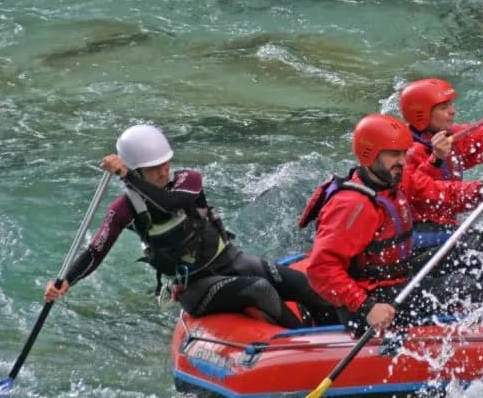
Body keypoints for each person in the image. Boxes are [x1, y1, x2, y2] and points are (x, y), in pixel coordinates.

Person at [44, 124, 327, 328]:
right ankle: (305, 341)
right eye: (154, 168)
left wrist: (127, 175)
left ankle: (339, 328)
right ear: (137, 171)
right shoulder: (124, 209)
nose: (163, 171)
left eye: (165, 163)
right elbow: (96, 250)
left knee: (305, 285)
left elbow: (168, 203)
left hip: (231, 261)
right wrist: (66, 281)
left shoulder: (188, 180)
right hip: (196, 287)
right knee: (260, 289)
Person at [300, 114, 483, 334]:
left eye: (403, 153)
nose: (402, 161)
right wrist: (367, 307)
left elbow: (440, 193)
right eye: (394, 154)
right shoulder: (352, 205)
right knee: (462, 286)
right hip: (370, 303)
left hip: (397, 279)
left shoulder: (397, 179)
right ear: (369, 154)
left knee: (472, 256)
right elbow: (321, 269)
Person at [399, 78, 483, 276]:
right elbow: (427, 194)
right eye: (444, 107)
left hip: (443, 229)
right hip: (417, 236)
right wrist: (481, 188)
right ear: (422, 115)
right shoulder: (405, 154)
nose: (452, 111)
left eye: (450, 105)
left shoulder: (448, 137)